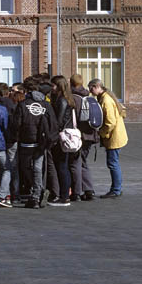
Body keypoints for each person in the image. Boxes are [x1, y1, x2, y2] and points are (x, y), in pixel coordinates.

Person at [10, 78, 55, 208]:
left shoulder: (23, 104)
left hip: (26, 141)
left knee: (25, 167)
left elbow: (16, 124)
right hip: (41, 141)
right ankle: (37, 194)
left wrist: (15, 137)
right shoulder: (46, 105)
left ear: (26, 91)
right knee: (37, 168)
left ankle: (36, 193)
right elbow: (53, 123)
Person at [89, 78, 127, 197]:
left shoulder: (105, 100)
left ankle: (116, 190)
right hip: (117, 135)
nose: (90, 92)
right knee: (113, 162)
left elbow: (110, 122)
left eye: (91, 89)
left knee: (112, 163)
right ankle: (116, 188)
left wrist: (102, 133)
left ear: (97, 87)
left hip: (113, 137)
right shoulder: (106, 97)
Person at [47, 75, 78, 206]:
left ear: (58, 86)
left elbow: (59, 121)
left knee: (62, 167)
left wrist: (52, 135)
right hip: (66, 135)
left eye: (53, 85)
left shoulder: (62, 101)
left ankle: (64, 196)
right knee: (63, 166)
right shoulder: (66, 99)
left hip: (61, 137)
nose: (51, 88)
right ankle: (65, 194)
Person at [69, 74, 98, 201]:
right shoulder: (88, 97)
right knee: (83, 162)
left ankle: (78, 191)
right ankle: (88, 189)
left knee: (76, 163)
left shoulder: (73, 98)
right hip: (90, 135)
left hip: (79, 135)